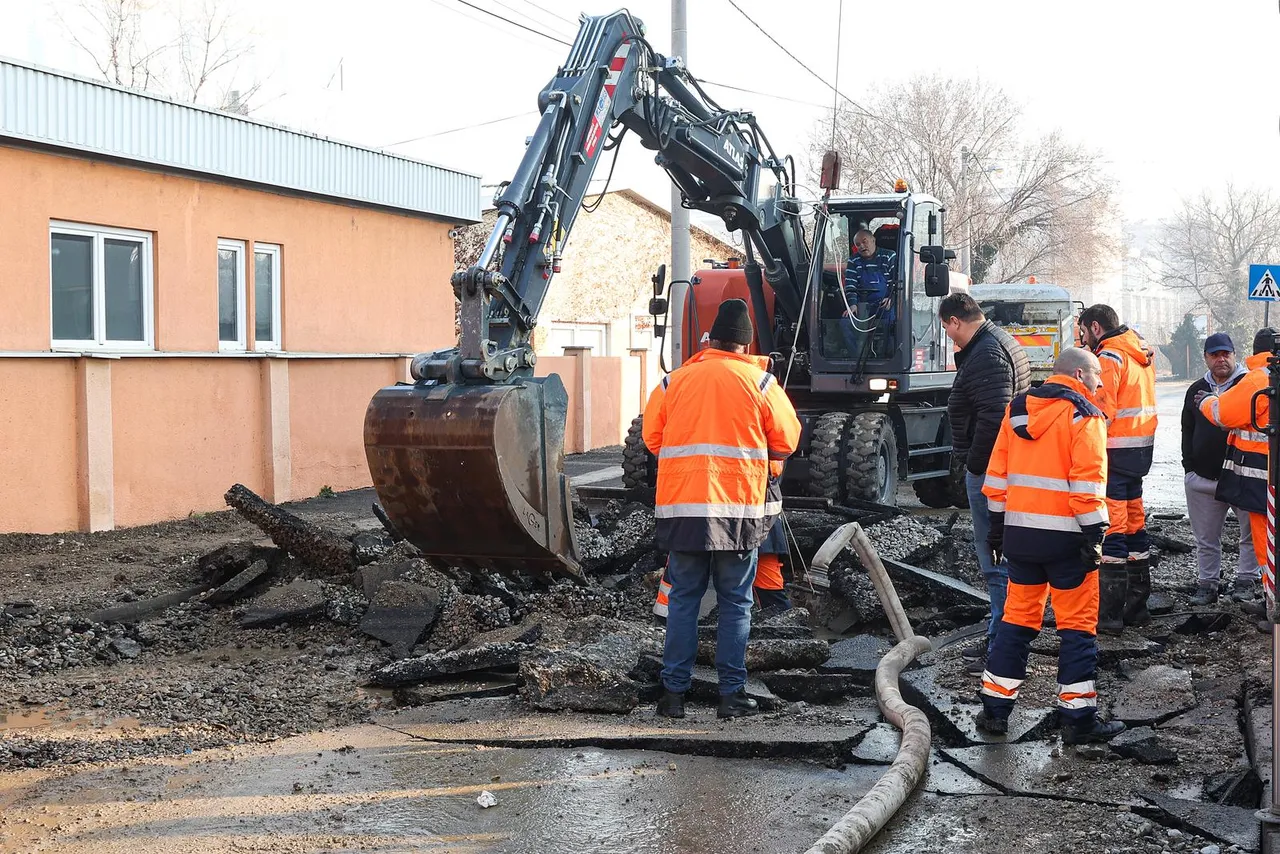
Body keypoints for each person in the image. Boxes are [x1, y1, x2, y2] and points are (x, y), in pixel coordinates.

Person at [642, 298, 802, 719]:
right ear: (746, 347)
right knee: (736, 603)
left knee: (683, 602)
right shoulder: (762, 384)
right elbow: (787, 441)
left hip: (683, 512)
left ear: (711, 340)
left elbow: (653, 440)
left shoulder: (672, 382)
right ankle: (731, 696)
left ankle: (672, 697)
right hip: (737, 513)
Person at [979, 348, 1126, 744]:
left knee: (1017, 621)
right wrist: (1095, 536)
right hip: (1068, 543)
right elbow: (1087, 487)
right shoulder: (1086, 416)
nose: (1099, 384)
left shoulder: (1018, 411)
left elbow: (996, 477)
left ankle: (994, 710)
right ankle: (1079, 721)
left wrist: (997, 530)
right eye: (1096, 376)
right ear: (1080, 373)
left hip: (1021, 538)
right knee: (1077, 628)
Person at [939, 292, 1032, 675]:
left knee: (995, 561)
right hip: (1005, 466)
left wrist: (975, 467)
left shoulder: (987, 354)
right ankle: (1002, 636)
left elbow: (994, 418)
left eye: (947, 329)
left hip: (994, 471)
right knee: (1002, 556)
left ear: (956, 321)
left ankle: (1001, 647)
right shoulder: (998, 343)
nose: (949, 338)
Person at [1078, 304, 1157, 633]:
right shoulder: (1139, 353)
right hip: (1140, 451)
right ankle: (1136, 607)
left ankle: (1109, 615)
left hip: (1115, 451)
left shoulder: (1109, 357)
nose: (1083, 340)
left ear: (1096, 327)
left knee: (1113, 527)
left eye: (1083, 332)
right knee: (1134, 523)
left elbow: (1103, 409)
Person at [1197, 327, 1276, 629]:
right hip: (1266, 474)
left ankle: (1274, 607)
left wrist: (1205, 401)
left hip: (1262, 478)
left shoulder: (1258, 378)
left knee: (1267, 542)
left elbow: (1224, 414)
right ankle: (1271, 598)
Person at [1182, 332, 1258, 605]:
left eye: (1225, 353)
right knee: (1206, 538)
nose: (1221, 359)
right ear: (1206, 358)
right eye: (1215, 354)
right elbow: (1187, 430)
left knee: (1250, 535)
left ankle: (1246, 581)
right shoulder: (1195, 390)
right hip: (1203, 478)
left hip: (1242, 477)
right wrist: (1189, 468)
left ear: (1235, 354)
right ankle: (1207, 585)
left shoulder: (1249, 385)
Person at [841, 228, 898, 358]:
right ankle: (857, 357)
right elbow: (850, 284)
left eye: (864, 242)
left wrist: (891, 299)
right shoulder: (853, 261)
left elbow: (896, 282)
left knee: (891, 324)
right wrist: (852, 304)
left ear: (873, 240)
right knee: (844, 323)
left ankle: (887, 357)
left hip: (885, 305)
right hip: (862, 306)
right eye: (858, 244)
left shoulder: (889, 256)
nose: (862, 246)